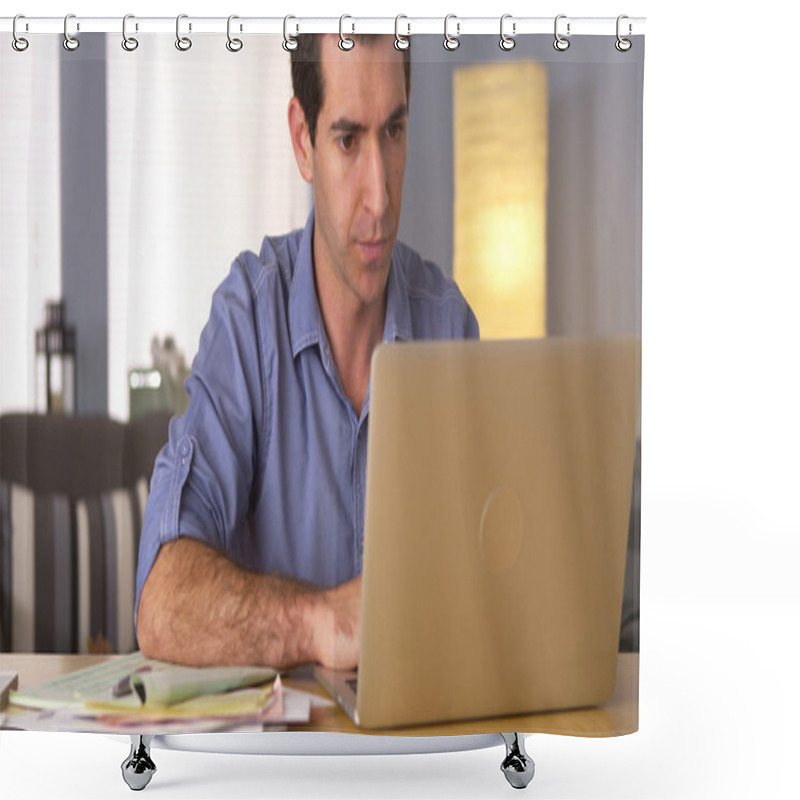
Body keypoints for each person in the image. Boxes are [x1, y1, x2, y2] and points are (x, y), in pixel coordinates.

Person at [134, 33, 478, 670]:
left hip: (416, 748)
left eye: (395, 132)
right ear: (303, 140)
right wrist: (321, 622)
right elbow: (162, 600)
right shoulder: (248, 320)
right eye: (348, 139)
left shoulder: (449, 325)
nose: (379, 198)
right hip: (278, 762)